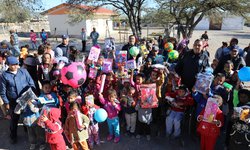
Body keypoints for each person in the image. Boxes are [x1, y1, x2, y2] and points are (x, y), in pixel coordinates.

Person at [0, 56, 36, 144]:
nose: (15, 66)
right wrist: (6, 102)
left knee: (26, 116)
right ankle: (13, 136)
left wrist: (31, 93)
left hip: (26, 98)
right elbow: (2, 91)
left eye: (16, 64)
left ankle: (26, 129)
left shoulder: (23, 71)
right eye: (13, 65)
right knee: (14, 120)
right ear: (8, 65)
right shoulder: (4, 76)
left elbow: (31, 83)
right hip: (13, 101)